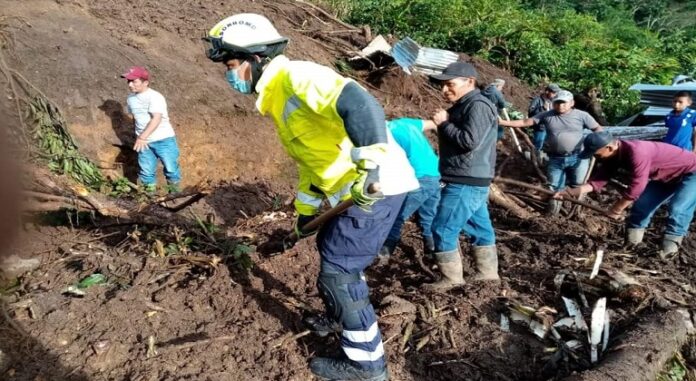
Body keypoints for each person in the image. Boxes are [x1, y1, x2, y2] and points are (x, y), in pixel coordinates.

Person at [204, 13, 418, 381]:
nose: (229, 74)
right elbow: (313, 163)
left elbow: (359, 103)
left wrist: (372, 165)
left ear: (255, 58)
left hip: (375, 187)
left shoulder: (296, 76)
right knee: (332, 253)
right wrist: (304, 213)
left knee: (338, 271)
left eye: (232, 64)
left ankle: (367, 366)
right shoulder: (276, 99)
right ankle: (341, 319)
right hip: (351, 188)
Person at [557, 131, 696, 259]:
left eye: (597, 154)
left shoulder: (637, 152)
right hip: (667, 176)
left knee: (678, 209)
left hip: (691, 171)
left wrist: (616, 209)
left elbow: (637, 187)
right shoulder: (612, 156)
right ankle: (632, 247)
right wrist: (569, 192)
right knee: (642, 206)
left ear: (609, 148)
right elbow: (598, 182)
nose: (596, 157)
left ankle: (668, 254)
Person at [423, 61, 500, 290]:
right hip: (471, 177)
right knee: (479, 227)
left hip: (465, 179)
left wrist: (444, 124)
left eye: (449, 84)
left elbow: (469, 141)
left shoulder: (477, 105)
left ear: (469, 81)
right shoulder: (465, 105)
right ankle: (487, 273)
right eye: (443, 85)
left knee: (442, 228)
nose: (444, 90)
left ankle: (451, 279)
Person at [499, 90, 602, 214]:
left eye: (563, 103)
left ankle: (575, 212)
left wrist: (599, 143)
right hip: (556, 158)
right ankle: (553, 215)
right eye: (557, 103)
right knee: (554, 187)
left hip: (578, 156)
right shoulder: (547, 115)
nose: (560, 105)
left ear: (571, 103)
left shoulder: (582, 115)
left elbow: (597, 128)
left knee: (578, 184)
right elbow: (526, 122)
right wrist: (503, 122)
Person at [378, 118, 440, 260]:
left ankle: (383, 254)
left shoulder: (385, 135)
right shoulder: (404, 123)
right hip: (436, 174)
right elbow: (433, 123)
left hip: (420, 178)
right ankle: (433, 254)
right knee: (429, 217)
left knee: (396, 215)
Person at [122, 66, 181, 193]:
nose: (130, 84)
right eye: (128, 81)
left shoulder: (155, 97)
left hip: (163, 140)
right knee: (146, 172)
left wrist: (142, 137)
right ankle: (150, 200)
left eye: (134, 81)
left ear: (145, 82)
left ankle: (174, 196)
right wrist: (138, 136)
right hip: (144, 143)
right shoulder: (130, 99)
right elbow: (136, 118)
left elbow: (156, 119)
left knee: (171, 169)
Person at [528, 83, 560, 153]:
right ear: (547, 91)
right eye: (554, 92)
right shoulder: (537, 100)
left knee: (545, 146)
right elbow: (531, 113)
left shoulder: (553, 101)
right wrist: (542, 108)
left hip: (550, 127)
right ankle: (533, 159)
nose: (555, 94)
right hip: (540, 127)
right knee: (537, 145)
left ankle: (539, 158)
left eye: (556, 92)